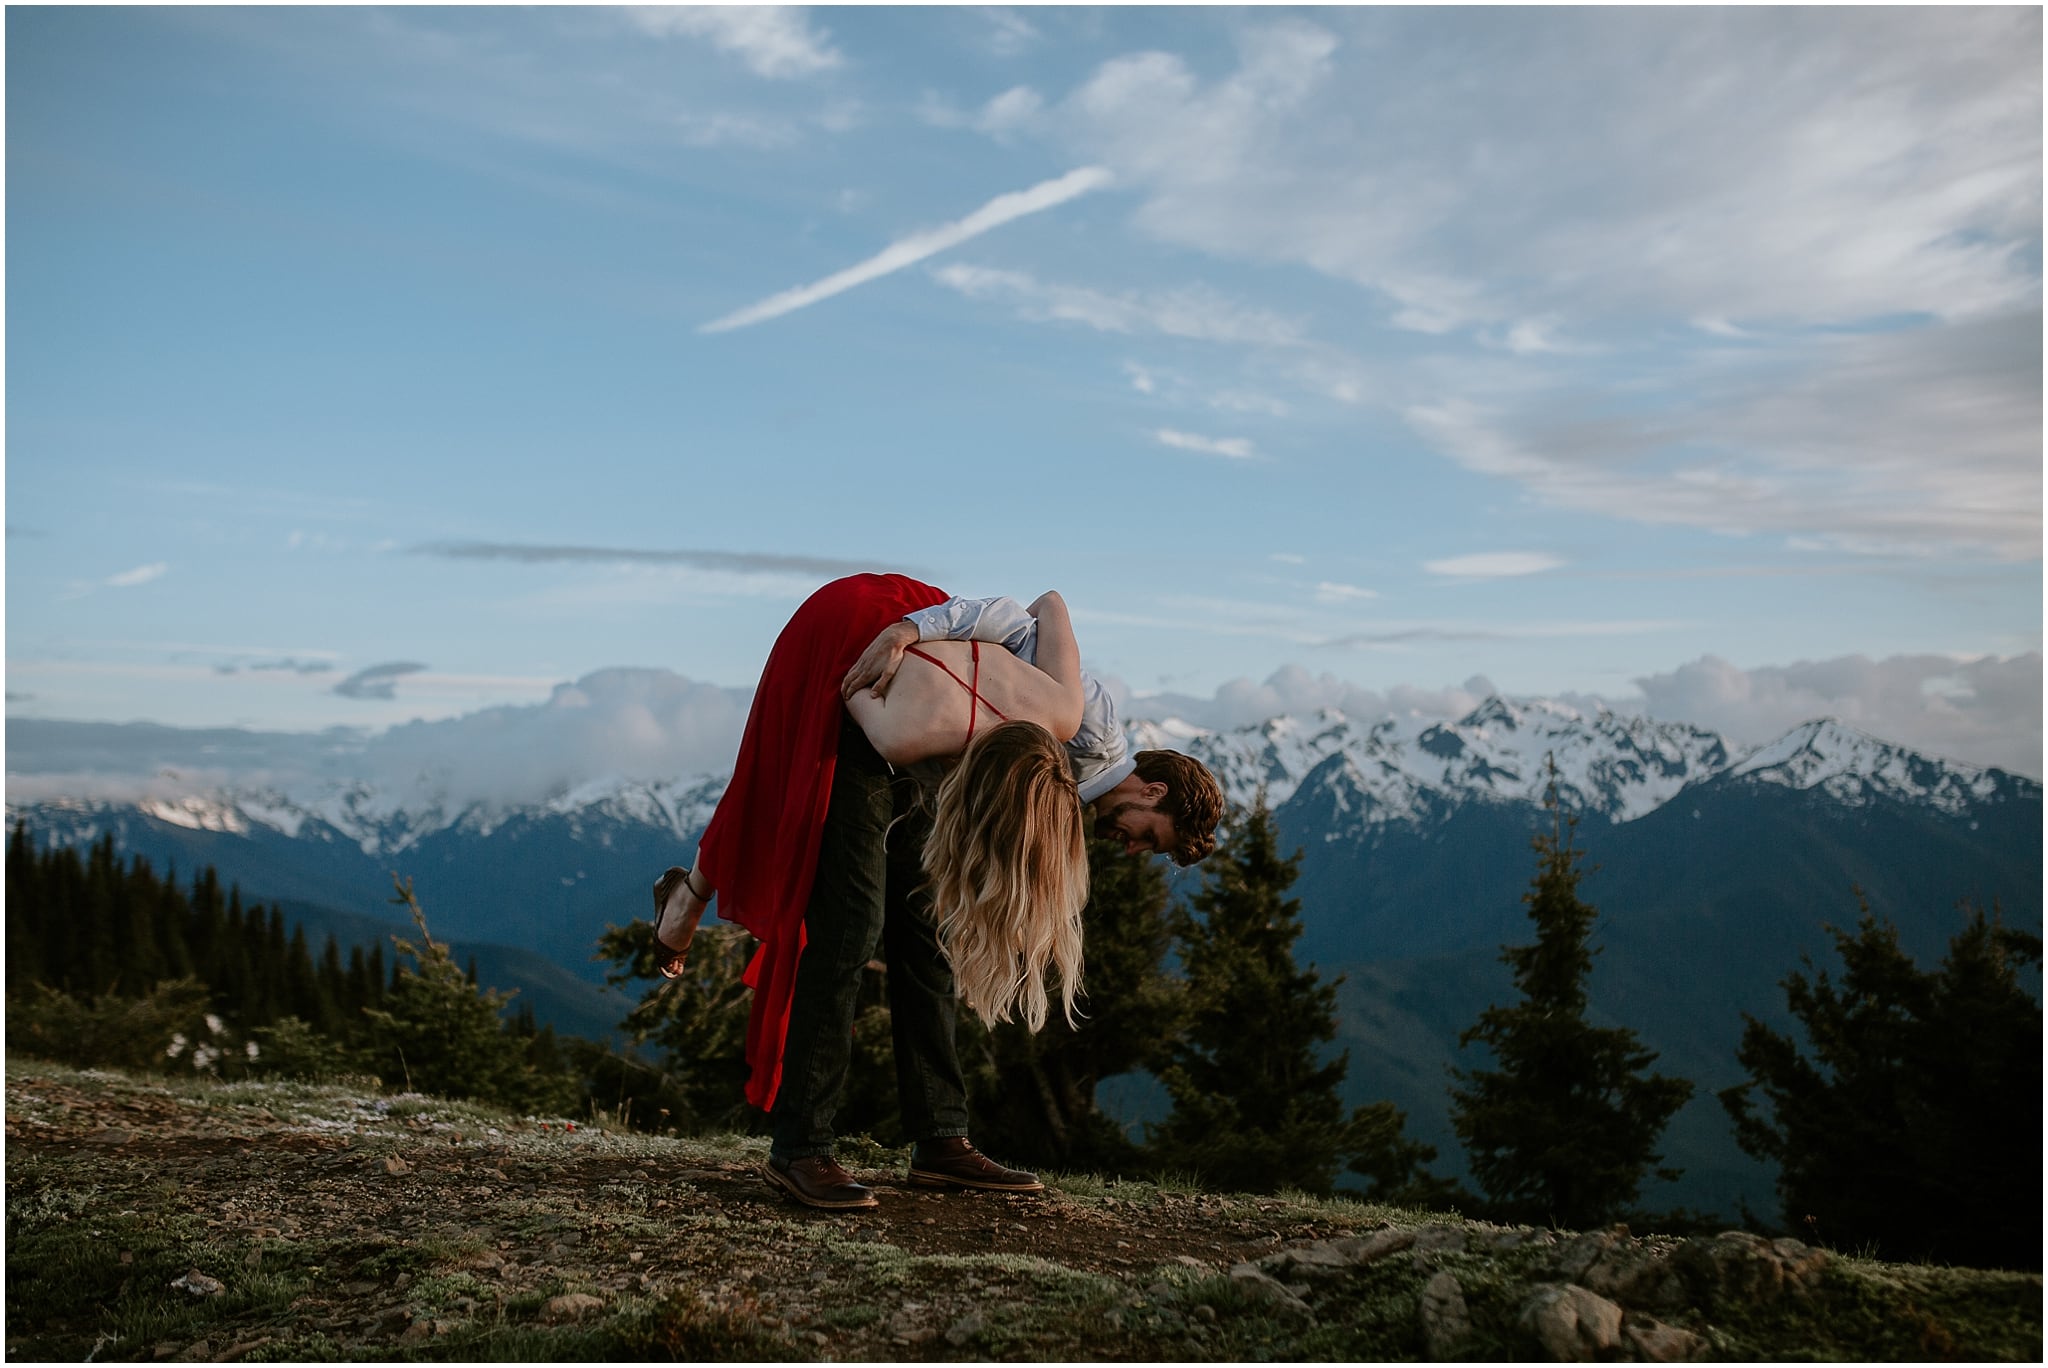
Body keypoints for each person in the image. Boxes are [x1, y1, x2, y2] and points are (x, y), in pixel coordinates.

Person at [652, 573, 1224, 1210]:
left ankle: (941, 1142)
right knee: (849, 921)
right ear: (1152, 791)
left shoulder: (1066, 791)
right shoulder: (1087, 728)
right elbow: (1032, 609)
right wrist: (908, 629)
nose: (1136, 850)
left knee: (925, 932)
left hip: (926, 728)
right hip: (876, 667)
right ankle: (800, 1149)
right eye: (1154, 838)